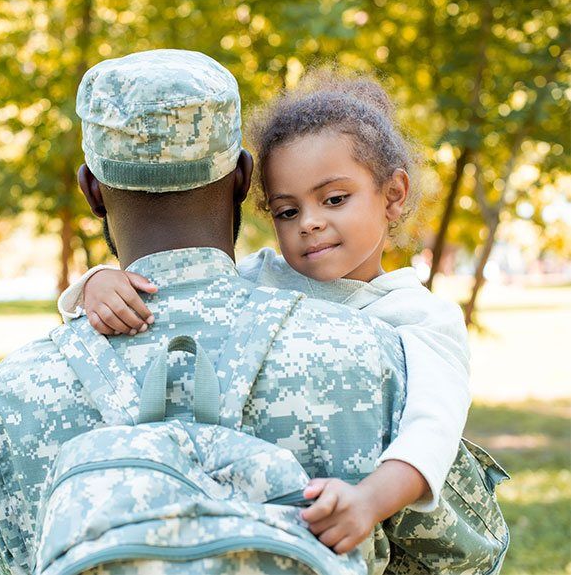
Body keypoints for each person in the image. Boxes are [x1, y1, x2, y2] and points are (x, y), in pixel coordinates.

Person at [0, 50, 411, 575]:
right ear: (245, 179)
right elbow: (456, 558)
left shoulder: (15, 392)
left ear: (91, 190)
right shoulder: (368, 348)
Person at [57, 69, 470, 554]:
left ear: (393, 195)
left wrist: (368, 501)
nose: (311, 223)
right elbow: (177, 289)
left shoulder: (418, 318)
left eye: (334, 199)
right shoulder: (259, 277)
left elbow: (433, 429)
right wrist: (95, 283)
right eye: (287, 211)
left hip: (334, 529)